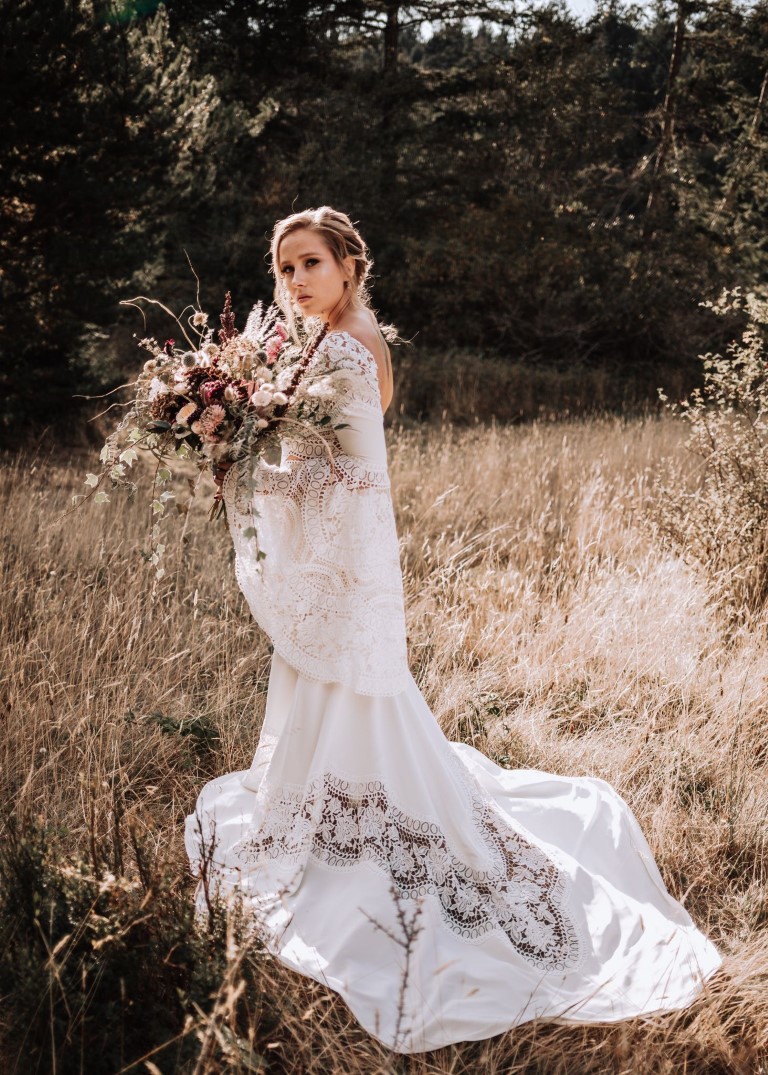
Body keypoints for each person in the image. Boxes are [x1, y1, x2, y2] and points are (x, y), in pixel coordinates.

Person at [185, 206, 722, 1054]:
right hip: (345, 561)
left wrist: (248, 468)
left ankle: (360, 833)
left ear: (349, 265)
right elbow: (317, 453)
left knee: (357, 694)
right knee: (333, 688)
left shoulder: (348, 347)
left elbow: (351, 473)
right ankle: (320, 804)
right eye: (283, 268)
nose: (293, 282)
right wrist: (246, 439)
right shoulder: (331, 338)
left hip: (348, 561)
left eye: (309, 264)